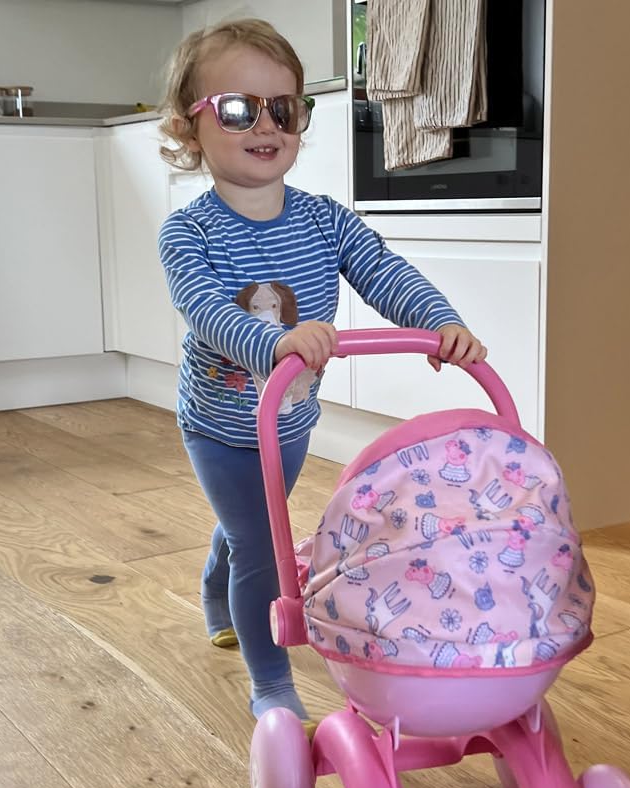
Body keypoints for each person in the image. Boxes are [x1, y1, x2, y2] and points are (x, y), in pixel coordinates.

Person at [157, 18, 486, 721]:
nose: (265, 124)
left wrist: (440, 322)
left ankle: (214, 584)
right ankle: (271, 684)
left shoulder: (326, 221)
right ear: (191, 131)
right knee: (260, 543)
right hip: (220, 423)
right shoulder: (188, 232)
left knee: (248, 521)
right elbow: (205, 311)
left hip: (293, 417)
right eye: (239, 109)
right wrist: (271, 343)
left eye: (285, 107)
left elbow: (383, 271)